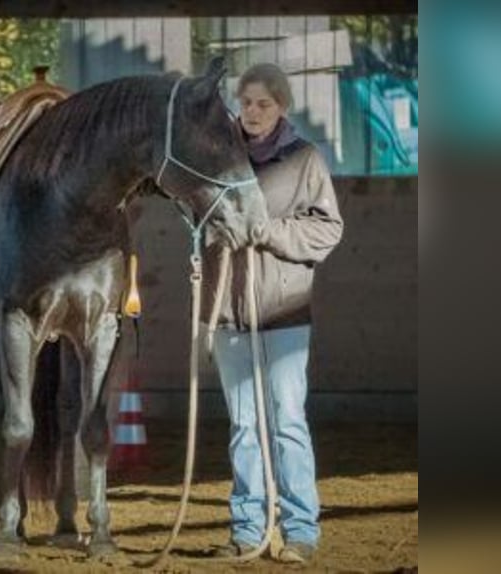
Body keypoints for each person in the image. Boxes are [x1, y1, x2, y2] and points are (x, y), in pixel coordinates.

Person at [204, 63, 344, 563]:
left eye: (264, 103)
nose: (254, 112)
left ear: (281, 107)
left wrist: (269, 233)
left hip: (284, 312)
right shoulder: (218, 159)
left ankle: (300, 530)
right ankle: (247, 528)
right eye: (246, 103)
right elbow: (199, 222)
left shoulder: (304, 160)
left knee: (286, 421)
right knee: (243, 425)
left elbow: (327, 231)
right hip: (229, 310)